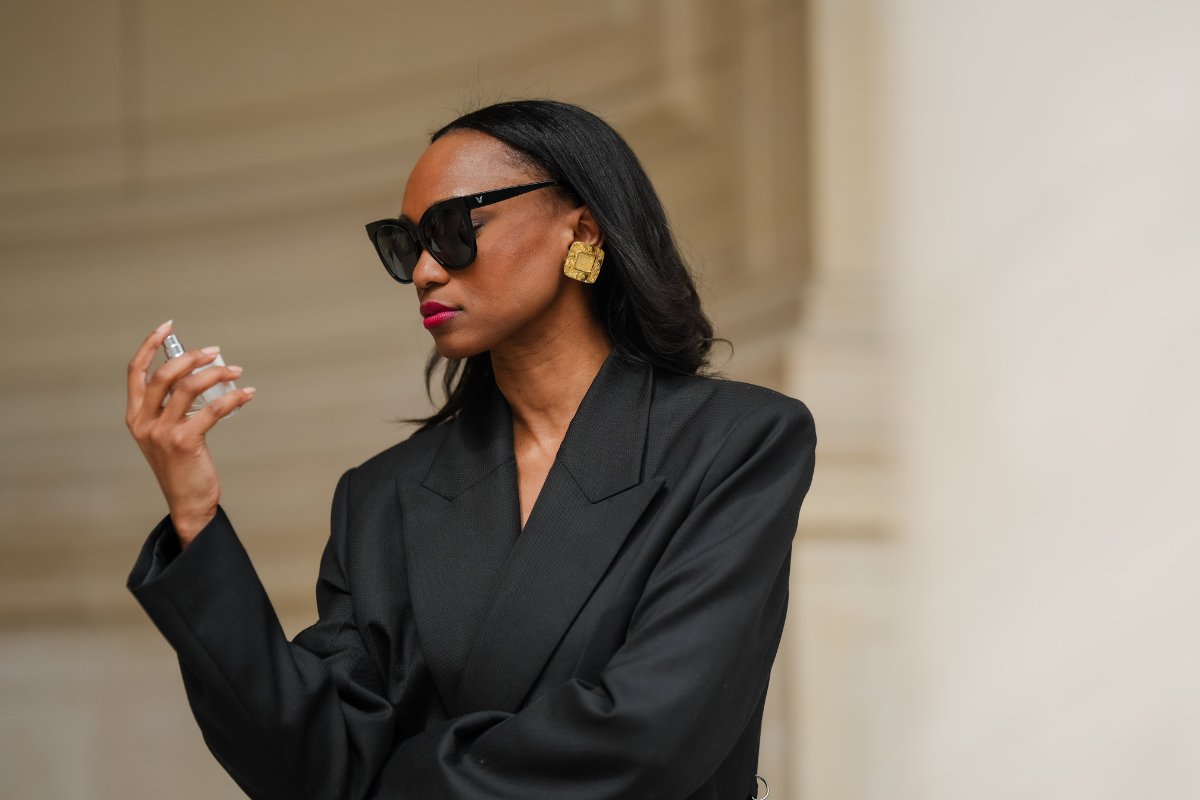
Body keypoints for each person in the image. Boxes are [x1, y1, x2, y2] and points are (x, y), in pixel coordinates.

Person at [124, 100, 816, 800]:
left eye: (456, 230)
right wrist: (195, 515)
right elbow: (313, 764)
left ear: (582, 230)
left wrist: (391, 784)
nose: (424, 270)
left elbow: (649, 736)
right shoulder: (381, 496)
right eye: (404, 243)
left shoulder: (738, 441)